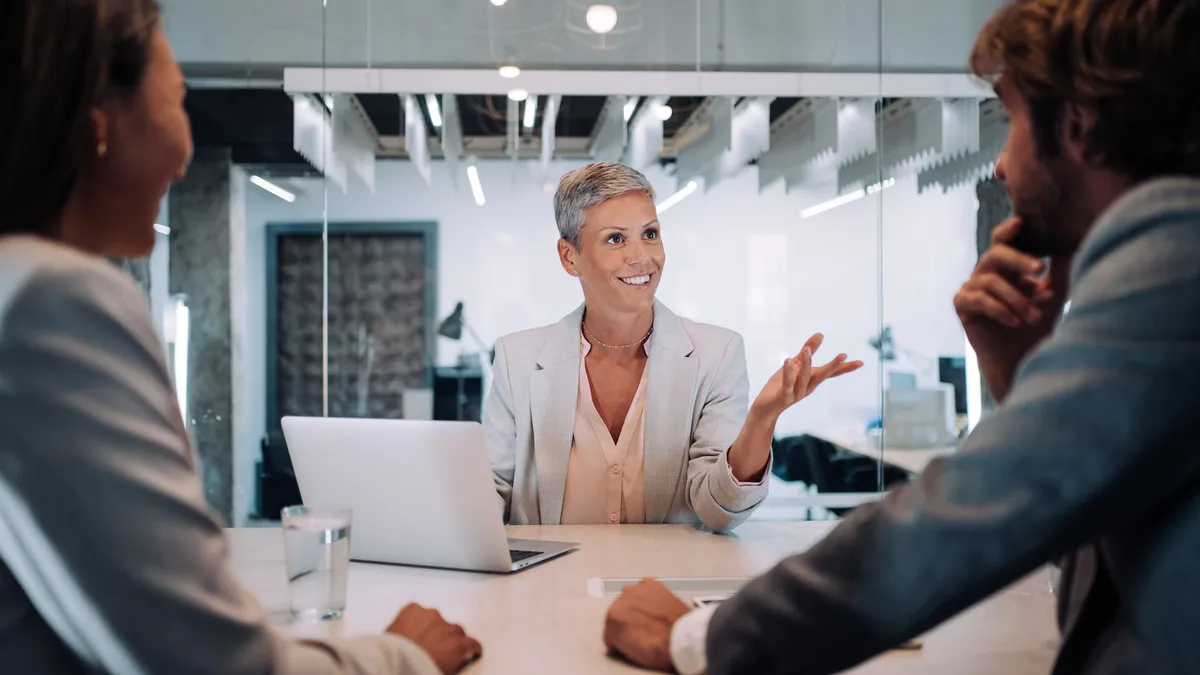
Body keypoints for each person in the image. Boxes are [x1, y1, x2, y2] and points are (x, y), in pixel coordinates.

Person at [603, 0, 1200, 672]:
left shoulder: (1175, 259)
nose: (1001, 166)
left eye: (1011, 120)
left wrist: (701, 640)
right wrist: (1021, 374)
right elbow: (1088, 511)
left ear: (1080, 126)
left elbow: (958, 523)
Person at [0, 2, 480, 673]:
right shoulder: (53, 299)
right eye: (178, 99)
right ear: (100, 120)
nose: (186, 146)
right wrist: (400, 655)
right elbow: (207, 662)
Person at [485, 162, 862, 532]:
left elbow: (721, 512)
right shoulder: (516, 360)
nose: (642, 257)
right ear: (570, 257)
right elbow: (489, 494)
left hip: (669, 585)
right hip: (548, 587)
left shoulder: (718, 355)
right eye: (616, 239)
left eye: (650, 233)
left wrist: (762, 419)